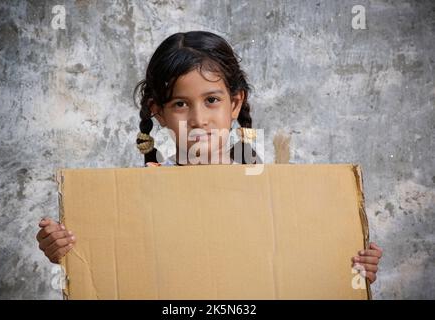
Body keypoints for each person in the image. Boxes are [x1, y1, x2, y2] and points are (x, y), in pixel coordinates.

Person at [36, 31, 383, 284]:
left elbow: (302, 272)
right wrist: (67, 251)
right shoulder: (131, 203)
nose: (199, 119)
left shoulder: (283, 199)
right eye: (181, 104)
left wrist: (351, 269)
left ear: (234, 103)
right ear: (158, 113)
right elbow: (118, 271)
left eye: (212, 100)